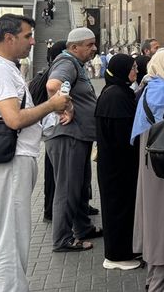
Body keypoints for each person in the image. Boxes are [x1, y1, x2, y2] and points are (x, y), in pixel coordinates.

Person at [0, 14, 71, 291]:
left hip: (12, 158)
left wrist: (52, 114)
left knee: (5, 234)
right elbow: (14, 119)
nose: (33, 42)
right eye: (27, 36)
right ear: (9, 38)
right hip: (11, 160)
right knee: (13, 237)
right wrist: (52, 105)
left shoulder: (5, 68)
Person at [45, 27, 101, 252]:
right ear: (74, 47)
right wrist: (67, 108)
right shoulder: (67, 63)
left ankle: (83, 227)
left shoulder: (75, 64)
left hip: (77, 136)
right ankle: (62, 239)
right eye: (89, 44)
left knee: (78, 186)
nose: (94, 48)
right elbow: (53, 85)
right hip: (68, 136)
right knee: (68, 189)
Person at [132, 49, 164, 291]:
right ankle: (159, 282)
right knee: (160, 220)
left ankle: (153, 277)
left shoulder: (149, 87)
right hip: (160, 165)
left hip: (148, 160)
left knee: (152, 218)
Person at [95, 53, 140, 270]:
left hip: (115, 164)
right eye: (132, 68)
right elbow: (124, 135)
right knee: (118, 209)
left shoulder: (116, 91)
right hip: (117, 166)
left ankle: (122, 251)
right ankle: (117, 256)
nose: (136, 71)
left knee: (120, 208)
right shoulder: (116, 97)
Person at [43, 40, 68, 222]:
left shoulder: (50, 71)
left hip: (52, 131)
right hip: (57, 129)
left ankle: (50, 209)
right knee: (57, 176)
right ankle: (51, 211)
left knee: (54, 173)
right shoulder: (57, 75)